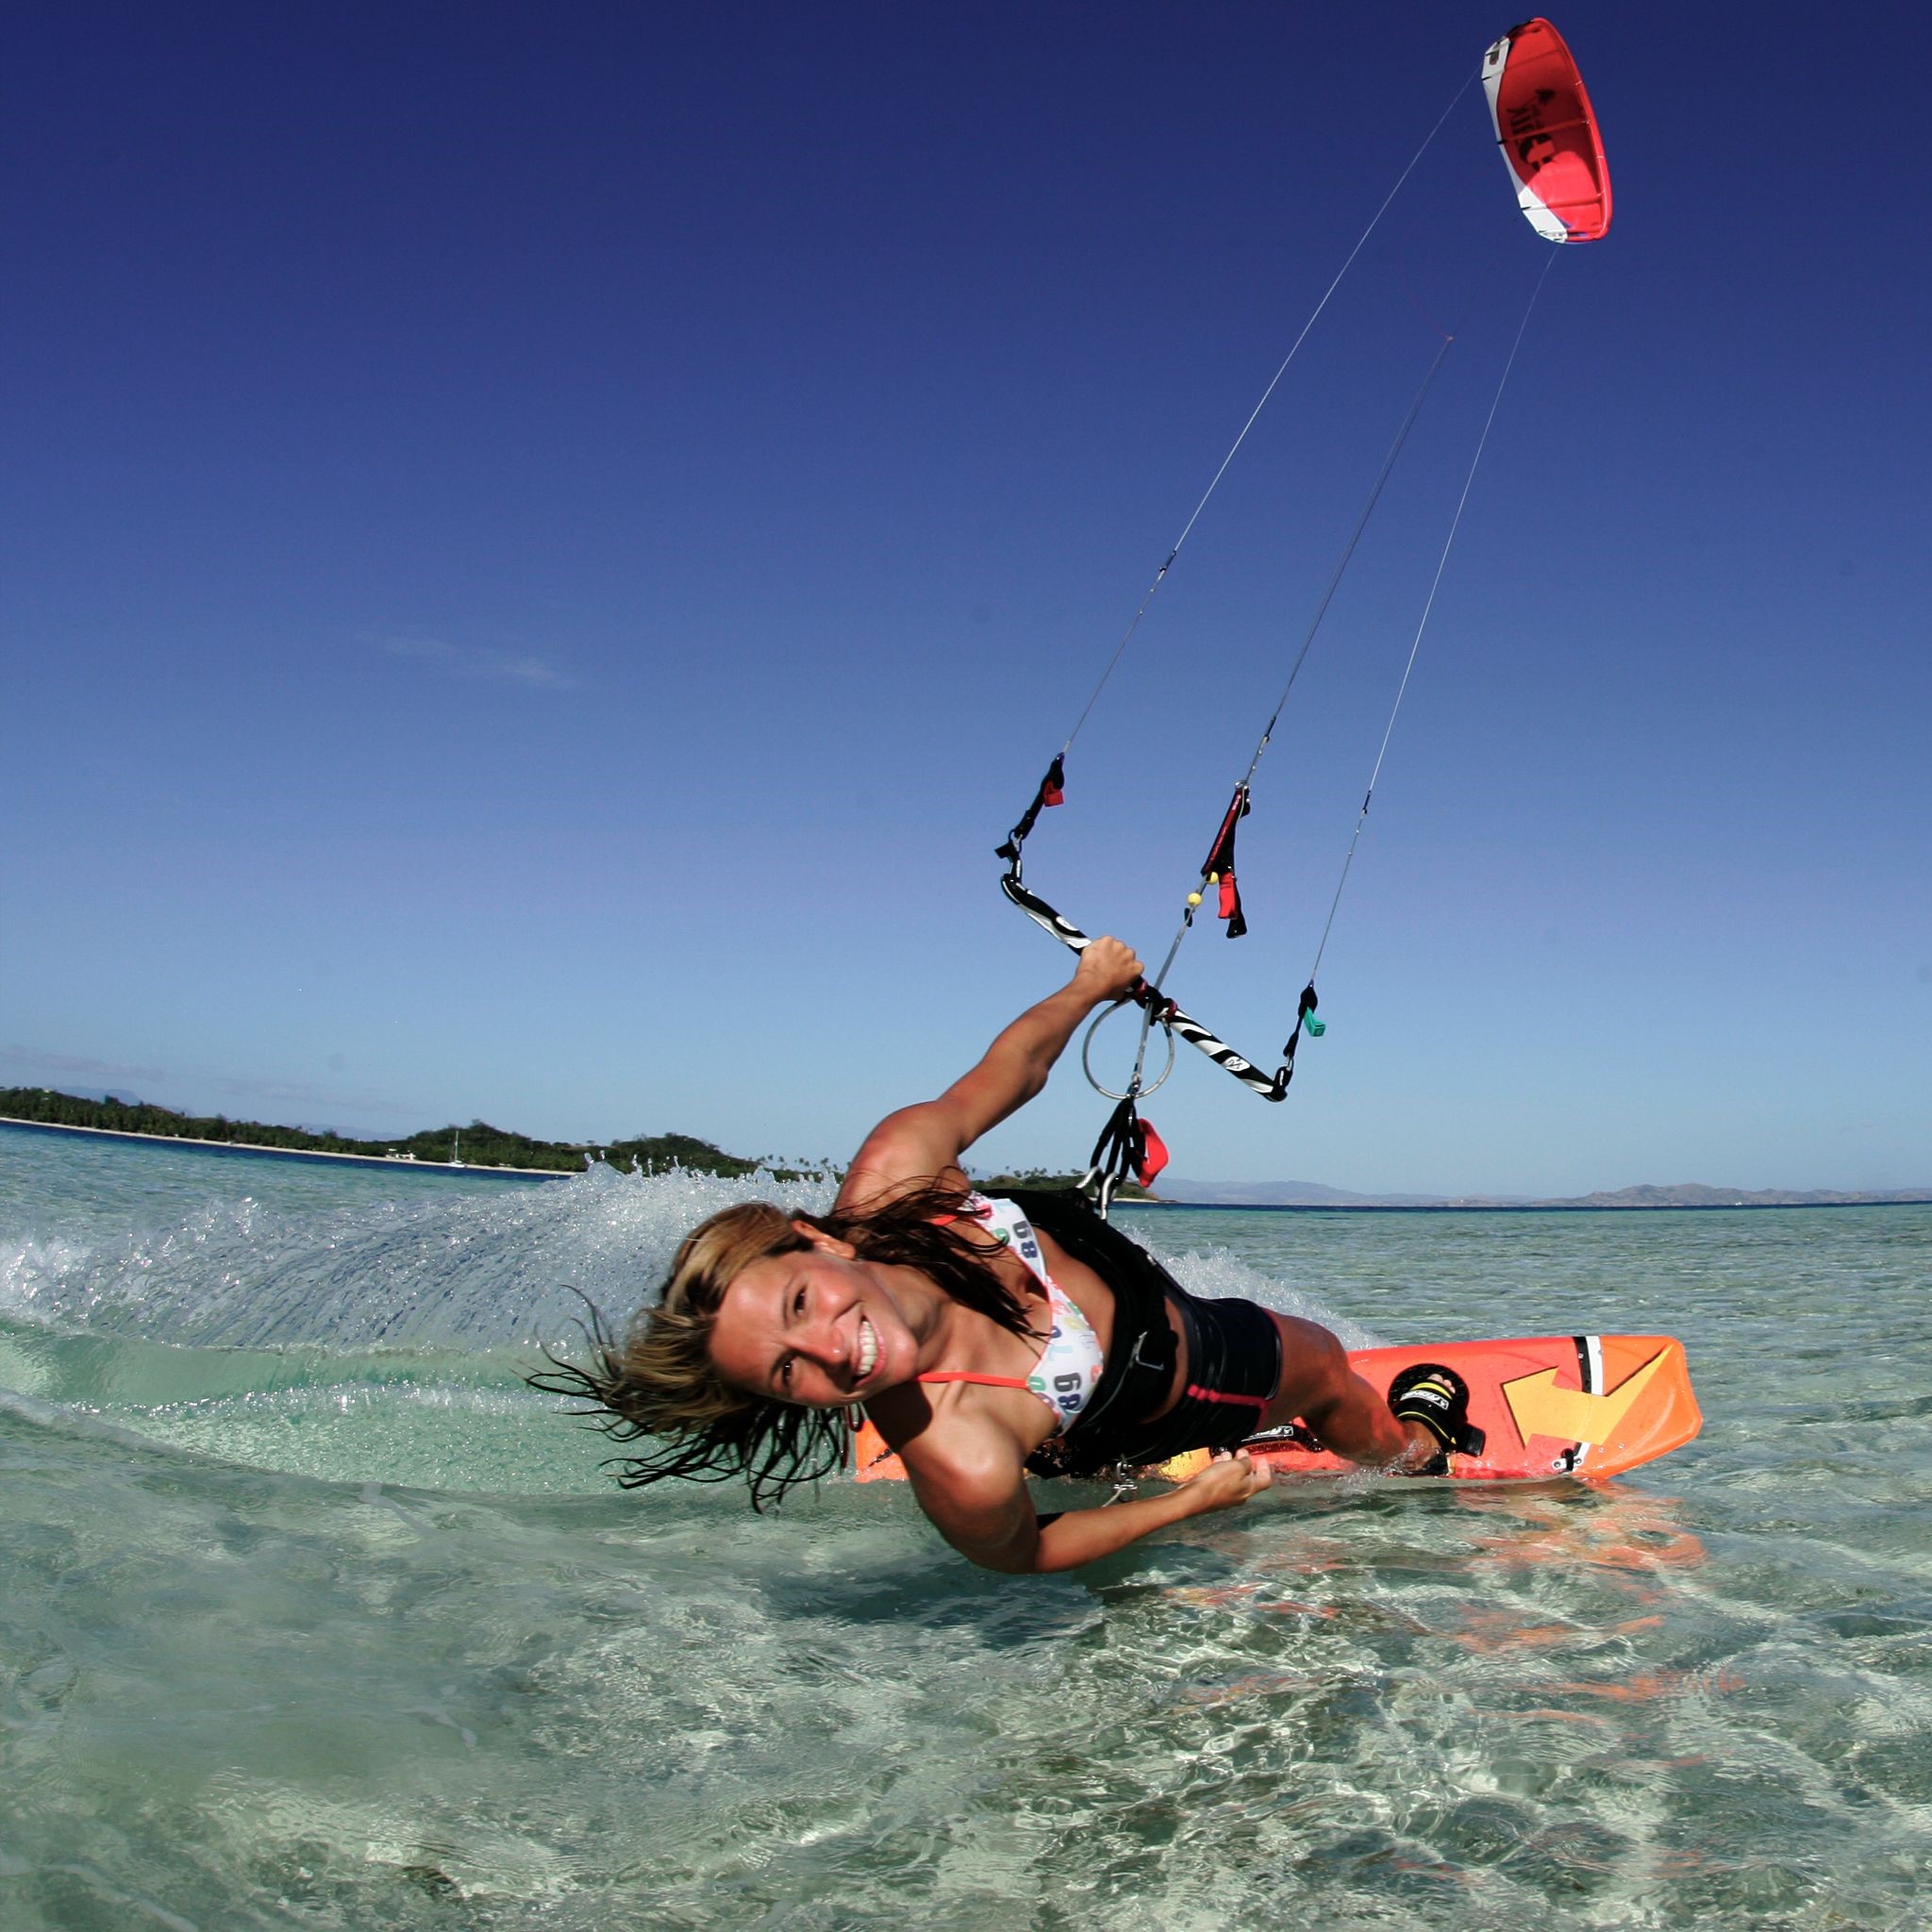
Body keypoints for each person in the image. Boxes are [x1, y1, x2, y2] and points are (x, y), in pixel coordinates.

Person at [538, 941, 1473, 1574]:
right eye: (789, 1374)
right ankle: (1414, 1455)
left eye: (796, 1305)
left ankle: (1232, 1443)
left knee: (1238, 1370)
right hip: (1163, 1379)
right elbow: (1017, 1549)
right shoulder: (956, 1456)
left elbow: (1011, 1069)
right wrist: (1183, 1510)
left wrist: (1084, 987)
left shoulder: (898, 1174)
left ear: (816, 1238)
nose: (828, 1349)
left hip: (1133, 1309)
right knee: (1320, 1364)